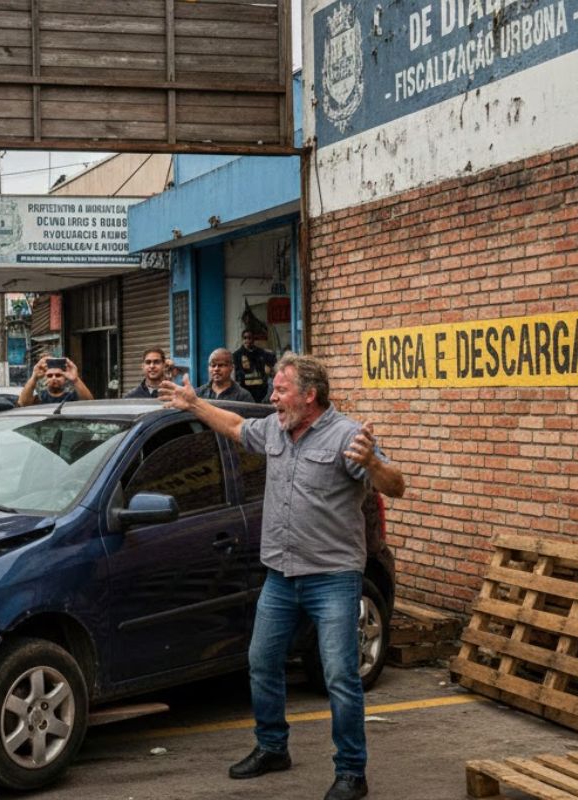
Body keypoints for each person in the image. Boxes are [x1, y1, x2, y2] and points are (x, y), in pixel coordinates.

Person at [160, 354, 405, 800]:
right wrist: (194, 404)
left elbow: (397, 485)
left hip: (332, 577)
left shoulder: (347, 436)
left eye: (280, 389)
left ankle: (352, 772)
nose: (271, 397)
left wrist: (373, 464)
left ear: (309, 395)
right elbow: (235, 426)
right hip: (280, 575)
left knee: (340, 677)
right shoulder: (275, 428)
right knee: (262, 661)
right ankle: (273, 746)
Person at [18, 355, 94, 406]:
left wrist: (75, 380)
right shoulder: (41, 397)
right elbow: (22, 403)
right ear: (45, 379)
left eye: (58, 375)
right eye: (50, 376)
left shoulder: (72, 396)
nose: (54, 378)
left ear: (65, 378)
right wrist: (34, 377)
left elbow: (90, 403)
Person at [234, 328, 277, 402]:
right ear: (242, 340)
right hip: (245, 389)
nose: (247, 340)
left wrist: (269, 369)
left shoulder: (261, 353)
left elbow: (273, 361)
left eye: (250, 338)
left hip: (261, 390)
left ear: (253, 340)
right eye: (245, 338)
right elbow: (235, 374)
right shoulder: (237, 355)